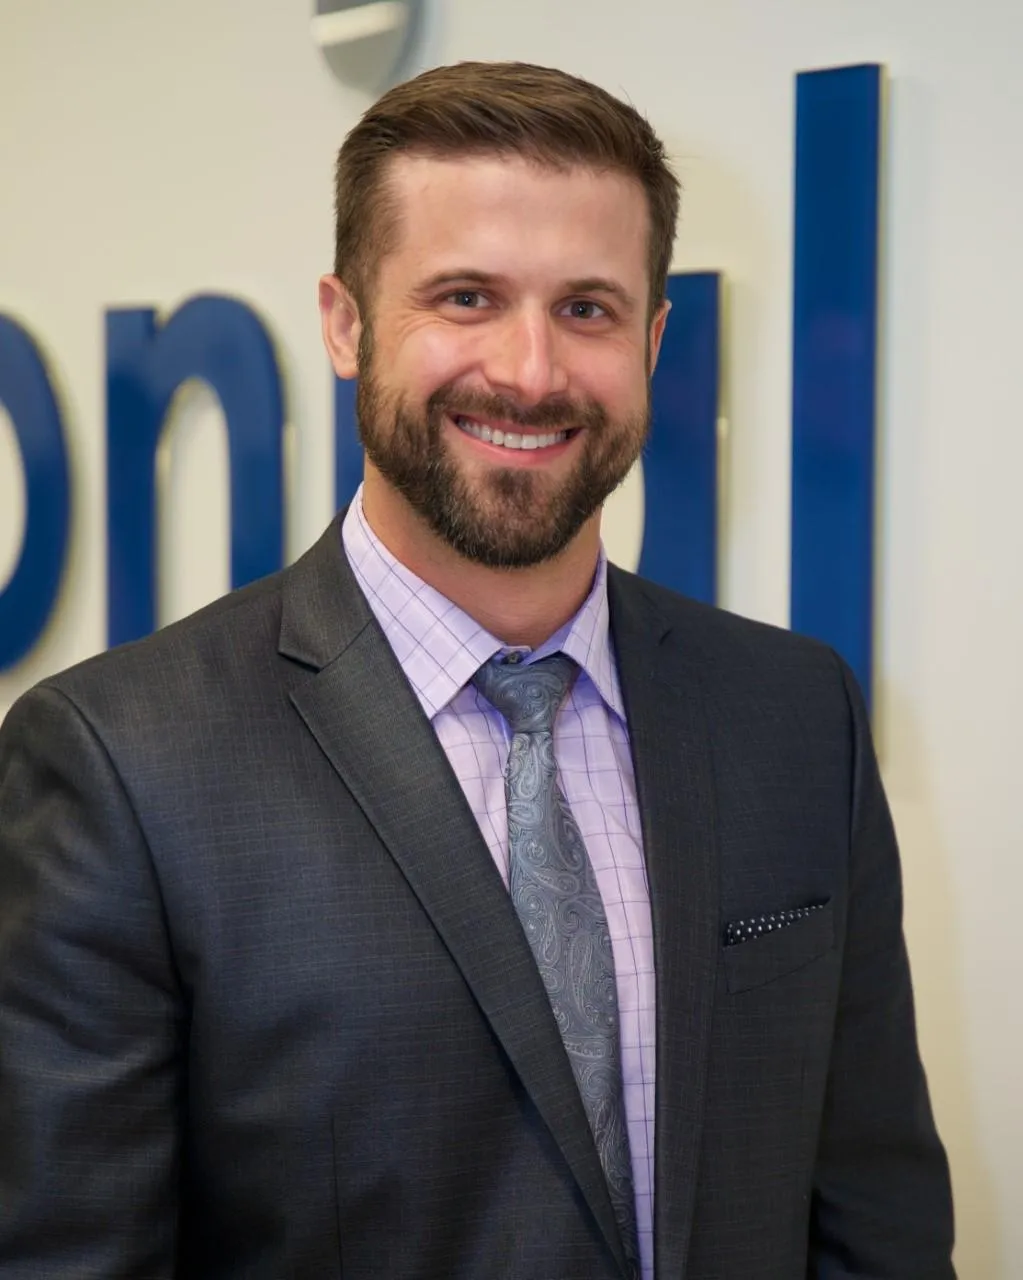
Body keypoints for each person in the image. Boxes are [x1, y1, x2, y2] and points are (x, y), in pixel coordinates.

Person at [0, 60, 954, 1279]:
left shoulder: (797, 716)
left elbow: (878, 1227)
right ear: (346, 323)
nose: (531, 371)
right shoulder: (121, 765)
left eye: (588, 308)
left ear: (655, 338)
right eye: (466, 296)